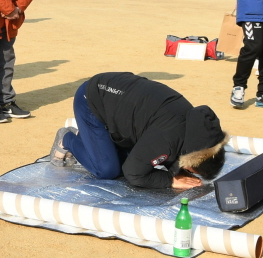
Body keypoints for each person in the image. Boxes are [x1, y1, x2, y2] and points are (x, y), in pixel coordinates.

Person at [52, 72, 227, 191]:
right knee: (108, 169)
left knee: (132, 157)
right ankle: (68, 138)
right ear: (192, 160)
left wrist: (176, 169)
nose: (186, 171)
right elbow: (133, 173)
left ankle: (91, 139)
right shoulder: (168, 136)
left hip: (120, 102)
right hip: (92, 99)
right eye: (191, 171)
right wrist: (171, 180)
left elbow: (170, 152)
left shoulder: (195, 128)